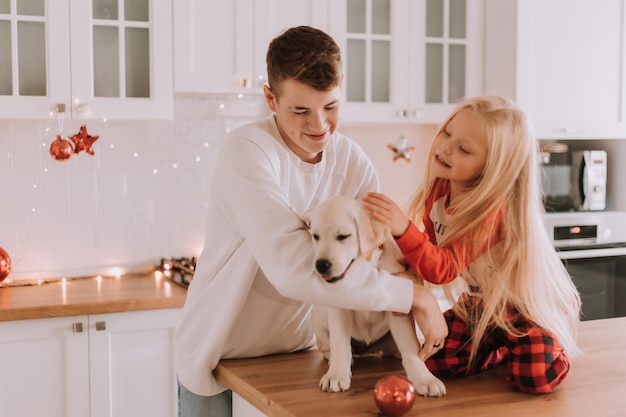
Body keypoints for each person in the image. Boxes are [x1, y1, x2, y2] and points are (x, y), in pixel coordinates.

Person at [175, 26, 447, 417]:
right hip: (219, 352)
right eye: (300, 110)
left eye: (330, 107)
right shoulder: (248, 150)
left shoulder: (353, 162)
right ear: (270, 98)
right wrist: (415, 297)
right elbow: (292, 268)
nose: (319, 125)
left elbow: (372, 256)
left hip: (302, 351)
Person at [362, 96, 582, 394]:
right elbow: (428, 248)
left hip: (520, 310)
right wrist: (408, 275)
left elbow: (443, 268)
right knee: (432, 362)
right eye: (447, 133)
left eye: (464, 149)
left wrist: (403, 228)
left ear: (492, 167)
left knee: (534, 377)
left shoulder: (492, 211)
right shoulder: (441, 191)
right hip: (478, 304)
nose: (445, 147)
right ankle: (498, 348)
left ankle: (549, 342)